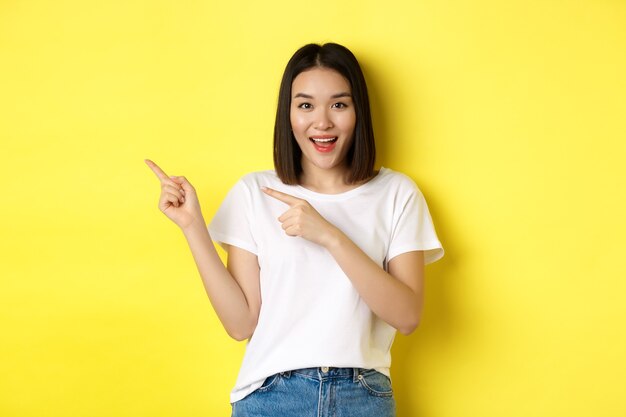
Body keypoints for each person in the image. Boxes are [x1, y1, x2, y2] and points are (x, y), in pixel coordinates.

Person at [146, 42, 443, 417]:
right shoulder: (254, 192)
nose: (322, 122)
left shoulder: (397, 193)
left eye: (339, 104)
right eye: (305, 105)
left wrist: (330, 236)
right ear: (288, 115)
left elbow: (407, 315)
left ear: (358, 112)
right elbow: (240, 324)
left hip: (362, 397)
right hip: (272, 397)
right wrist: (192, 227)